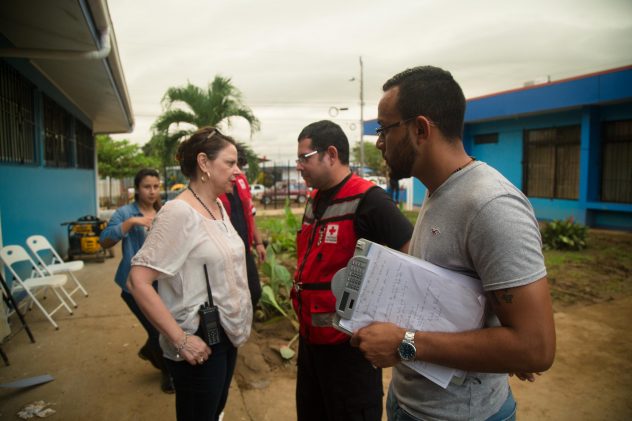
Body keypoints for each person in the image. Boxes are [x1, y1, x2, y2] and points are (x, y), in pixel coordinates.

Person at [351, 66, 556, 421]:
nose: (379, 142)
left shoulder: (491, 206)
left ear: (420, 129)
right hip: (409, 404)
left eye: (385, 129)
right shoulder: (440, 191)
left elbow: (535, 348)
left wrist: (403, 343)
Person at [128, 127, 252, 421]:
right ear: (204, 163)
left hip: (226, 332)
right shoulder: (178, 212)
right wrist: (180, 339)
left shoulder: (219, 205)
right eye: (230, 163)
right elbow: (138, 281)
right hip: (199, 340)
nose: (237, 171)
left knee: (215, 409)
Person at [292, 120, 414, 421]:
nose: (299, 166)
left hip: (349, 352)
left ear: (331, 154)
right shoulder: (315, 199)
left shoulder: (370, 200)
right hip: (311, 346)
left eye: (304, 158)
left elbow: (413, 258)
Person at [99, 168, 174, 393]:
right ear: (137, 189)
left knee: (166, 328)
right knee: (159, 331)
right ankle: (167, 373)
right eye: (146, 187)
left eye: (156, 186)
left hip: (163, 284)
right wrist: (132, 222)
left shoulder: (166, 210)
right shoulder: (125, 213)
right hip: (133, 287)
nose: (152, 192)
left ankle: (150, 350)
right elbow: (104, 241)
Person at [219, 143, 266, 308]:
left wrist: (259, 243)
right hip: (224, 254)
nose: (237, 170)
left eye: (238, 164)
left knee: (254, 291)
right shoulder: (214, 187)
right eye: (231, 164)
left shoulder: (241, 181)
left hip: (244, 249)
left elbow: (250, 215)